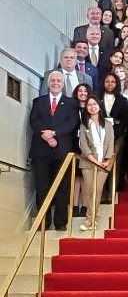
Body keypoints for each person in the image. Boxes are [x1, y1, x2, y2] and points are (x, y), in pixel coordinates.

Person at [29, 71, 80, 231]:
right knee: (42, 186)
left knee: (62, 187)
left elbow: (72, 122)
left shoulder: (71, 103)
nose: (56, 83)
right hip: (41, 151)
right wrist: (45, 134)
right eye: (53, 80)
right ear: (48, 83)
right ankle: (43, 222)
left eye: (59, 80)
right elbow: (33, 120)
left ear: (63, 84)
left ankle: (60, 222)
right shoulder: (38, 102)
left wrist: (54, 133)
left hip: (62, 151)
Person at [78, 95, 115, 231]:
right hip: (88, 163)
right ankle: (91, 219)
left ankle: (91, 218)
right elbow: (84, 145)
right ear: (86, 108)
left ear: (99, 106)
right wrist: (94, 160)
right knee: (89, 190)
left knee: (97, 190)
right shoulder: (84, 125)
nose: (92, 107)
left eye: (94, 104)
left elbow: (111, 143)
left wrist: (107, 160)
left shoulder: (108, 124)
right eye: (89, 105)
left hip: (104, 163)